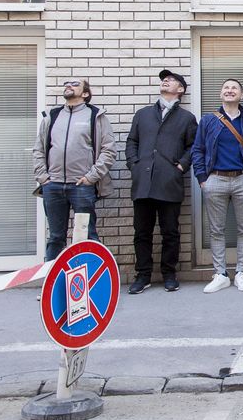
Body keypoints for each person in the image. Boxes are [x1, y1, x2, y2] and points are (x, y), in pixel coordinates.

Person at [126, 70, 198, 294]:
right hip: (143, 182)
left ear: (181, 90)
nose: (165, 81)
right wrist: (134, 164)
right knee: (142, 232)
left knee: (170, 232)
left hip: (169, 182)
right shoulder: (143, 114)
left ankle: (169, 273)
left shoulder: (186, 118)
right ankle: (143, 275)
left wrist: (181, 167)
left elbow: (193, 147)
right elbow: (132, 141)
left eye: (172, 80)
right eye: (164, 79)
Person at [192, 78, 243, 294]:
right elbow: (198, 150)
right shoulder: (208, 120)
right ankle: (221, 274)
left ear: (241, 95)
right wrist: (203, 178)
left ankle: (241, 272)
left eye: (234, 88)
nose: (229, 91)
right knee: (216, 230)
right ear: (220, 94)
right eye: (226, 88)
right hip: (215, 180)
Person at [32, 78, 117, 261]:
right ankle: (51, 285)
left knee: (87, 237)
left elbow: (108, 151)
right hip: (52, 185)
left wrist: (90, 178)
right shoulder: (52, 116)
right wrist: (43, 177)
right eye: (67, 83)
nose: (69, 85)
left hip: (82, 186)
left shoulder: (95, 116)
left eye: (75, 84)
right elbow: (39, 148)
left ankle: (89, 283)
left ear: (85, 94)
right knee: (55, 238)